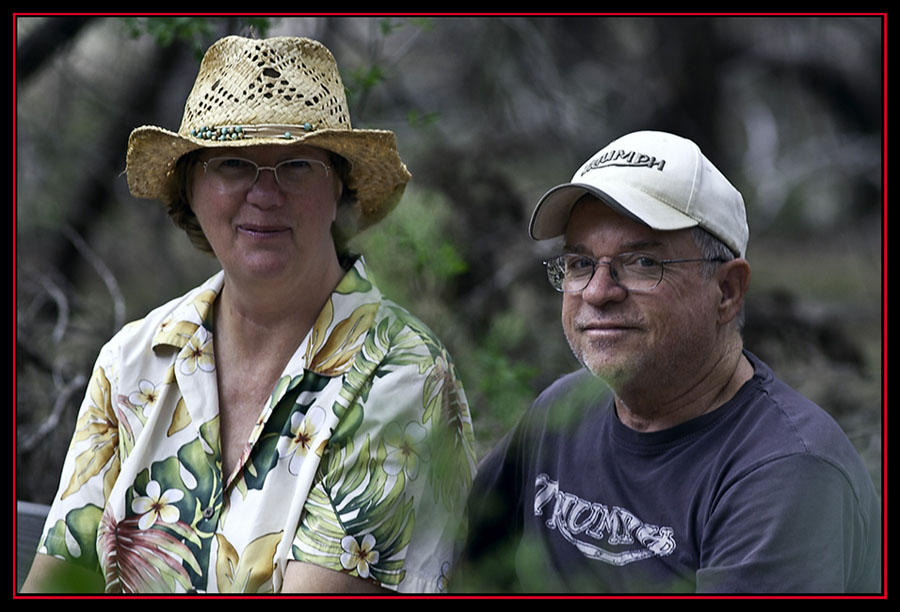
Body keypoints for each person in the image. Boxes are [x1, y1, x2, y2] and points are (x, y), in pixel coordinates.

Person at [23, 35, 476, 595]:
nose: (265, 193)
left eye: (296, 165)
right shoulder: (132, 361)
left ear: (338, 186)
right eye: (233, 163)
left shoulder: (402, 375)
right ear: (190, 187)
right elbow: (58, 585)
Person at [454, 130, 881, 594]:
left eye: (640, 263)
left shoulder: (787, 473)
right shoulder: (564, 411)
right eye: (579, 264)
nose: (597, 292)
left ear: (727, 292)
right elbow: (458, 568)